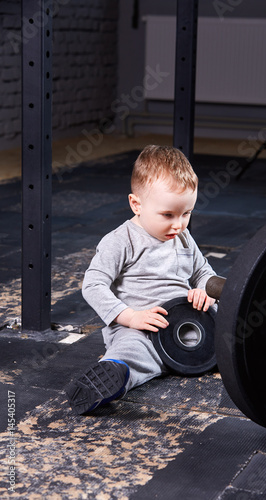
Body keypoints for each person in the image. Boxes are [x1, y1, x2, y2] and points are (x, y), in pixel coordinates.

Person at [66, 145, 217, 415]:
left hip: (186, 320)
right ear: (137, 204)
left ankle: (241, 356)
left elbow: (204, 273)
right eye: (168, 215)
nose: (178, 224)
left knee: (226, 322)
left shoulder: (183, 237)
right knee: (134, 350)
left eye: (187, 213)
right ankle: (114, 375)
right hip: (141, 329)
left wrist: (205, 291)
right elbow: (92, 284)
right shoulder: (120, 241)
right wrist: (129, 316)